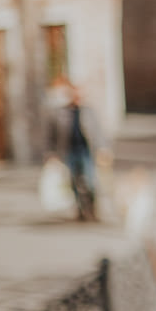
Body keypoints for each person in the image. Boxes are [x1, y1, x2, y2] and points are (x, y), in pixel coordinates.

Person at [46, 83, 98, 221]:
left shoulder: (88, 111)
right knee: (73, 182)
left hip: (86, 151)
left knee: (90, 180)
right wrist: (52, 153)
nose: (77, 97)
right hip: (69, 151)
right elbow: (52, 134)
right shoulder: (60, 112)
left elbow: (98, 132)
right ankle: (80, 210)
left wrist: (103, 149)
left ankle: (92, 208)